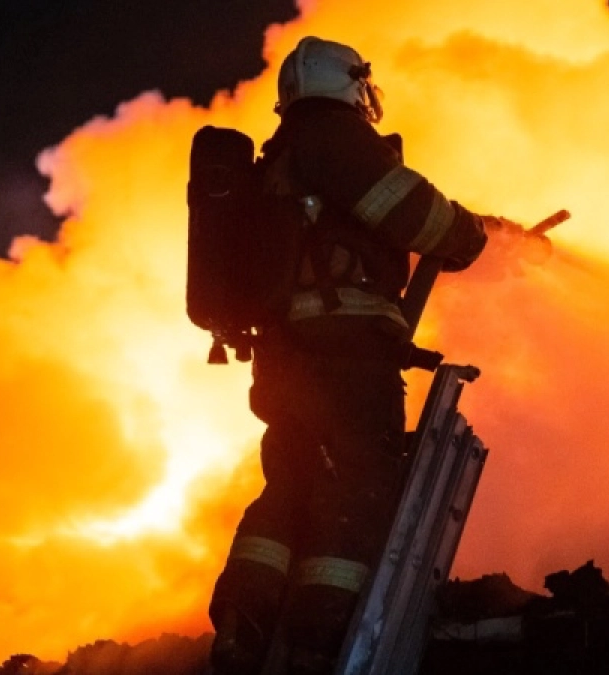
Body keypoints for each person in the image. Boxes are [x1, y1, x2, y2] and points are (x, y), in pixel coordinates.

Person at [207, 36, 493, 675]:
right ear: (352, 84)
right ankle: (320, 639)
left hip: (285, 359)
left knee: (292, 484)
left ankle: (242, 625)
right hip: (346, 358)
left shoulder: (281, 156)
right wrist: (468, 232)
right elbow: (414, 213)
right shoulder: (335, 140)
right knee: (358, 486)